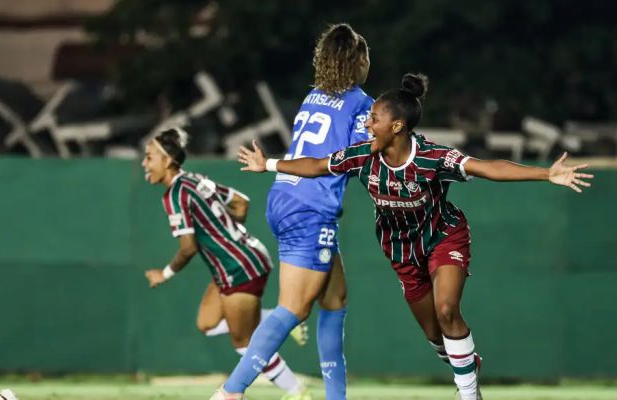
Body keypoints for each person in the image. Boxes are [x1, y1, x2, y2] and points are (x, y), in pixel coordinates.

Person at [236, 73, 594, 400]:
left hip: (443, 237)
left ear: (396, 125)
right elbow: (315, 165)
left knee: (446, 309)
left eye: (373, 118)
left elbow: (487, 168)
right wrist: (267, 164)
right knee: (437, 337)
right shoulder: (362, 156)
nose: (366, 122)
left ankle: (470, 394)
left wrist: (547, 174)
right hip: (402, 253)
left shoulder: (432, 157)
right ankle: (466, 363)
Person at [211, 23, 373, 400]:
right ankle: (231, 392)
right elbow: (360, 158)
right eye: (366, 58)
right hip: (311, 207)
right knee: (294, 308)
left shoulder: (313, 96)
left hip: (285, 196)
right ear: (358, 61)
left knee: (335, 302)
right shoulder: (361, 103)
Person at [141, 128, 309, 400]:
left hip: (239, 268)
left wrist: (164, 273)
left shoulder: (174, 195)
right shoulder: (196, 180)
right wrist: (225, 233)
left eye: (149, 157)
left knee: (244, 342)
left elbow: (188, 248)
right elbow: (241, 203)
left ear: (168, 160)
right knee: (207, 323)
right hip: (242, 259)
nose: (144, 164)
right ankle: (276, 320)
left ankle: (297, 392)